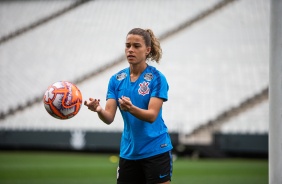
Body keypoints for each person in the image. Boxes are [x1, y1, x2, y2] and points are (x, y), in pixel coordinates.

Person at [84, 28, 173, 184]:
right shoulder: (116, 80)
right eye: (127, 45)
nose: (130, 50)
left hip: (156, 149)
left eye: (136, 46)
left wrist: (131, 108)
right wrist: (98, 110)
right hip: (129, 152)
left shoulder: (157, 78)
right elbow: (109, 117)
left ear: (147, 50)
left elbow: (152, 116)